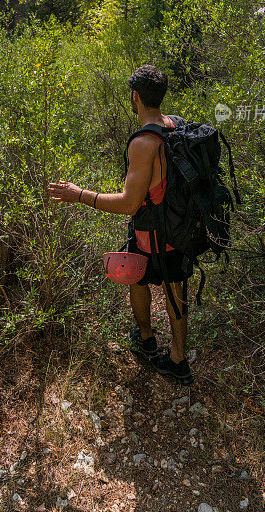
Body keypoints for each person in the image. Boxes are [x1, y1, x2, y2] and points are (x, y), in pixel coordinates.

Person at [48, 64, 193, 384]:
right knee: (175, 286)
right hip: (178, 224)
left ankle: (145, 340)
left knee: (137, 277)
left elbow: (129, 202)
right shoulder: (175, 125)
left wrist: (80, 194)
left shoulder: (143, 142)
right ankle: (179, 358)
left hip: (152, 230)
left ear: (135, 97)